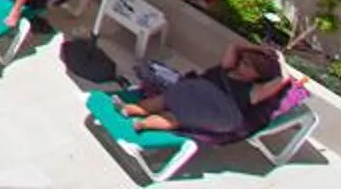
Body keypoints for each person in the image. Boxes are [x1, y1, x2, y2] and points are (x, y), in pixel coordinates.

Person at [113, 44, 291, 142]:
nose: (243, 63)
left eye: (249, 65)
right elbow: (234, 46)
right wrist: (259, 48)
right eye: (244, 61)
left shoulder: (254, 90)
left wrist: (281, 62)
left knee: (175, 117)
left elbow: (282, 79)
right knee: (164, 99)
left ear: (257, 75)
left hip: (220, 112)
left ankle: (141, 124)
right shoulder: (228, 68)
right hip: (200, 93)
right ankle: (128, 109)